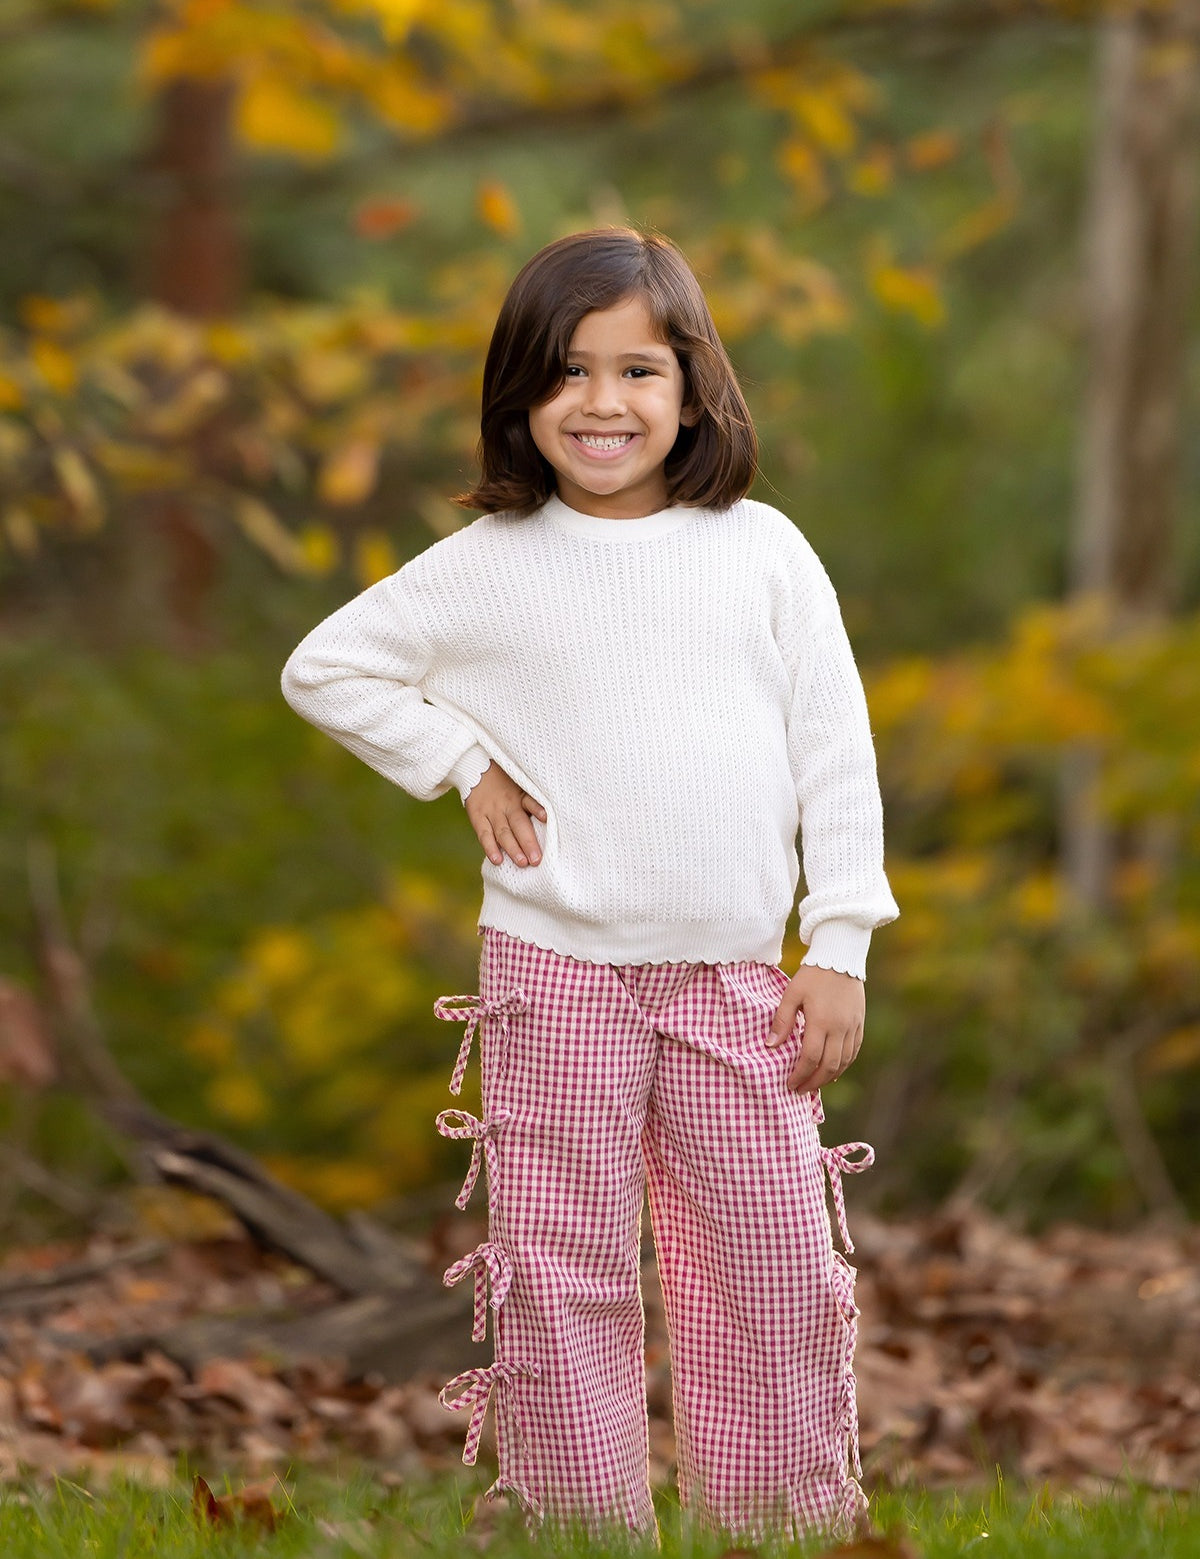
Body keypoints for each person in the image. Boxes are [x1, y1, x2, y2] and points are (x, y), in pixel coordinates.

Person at [281, 227, 899, 1543]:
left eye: (638, 371)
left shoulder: (763, 551)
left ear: (693, 391)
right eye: (566, 374)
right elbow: (324, 667)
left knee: (772, 1262)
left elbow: (836, 754)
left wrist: (838, 940)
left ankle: (776, 1523)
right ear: (520, 398)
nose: (603, 404)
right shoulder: (491, 568)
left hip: (738, 972)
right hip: (555, 972)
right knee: (562, 1274)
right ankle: (582, 1526)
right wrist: (461, 761)